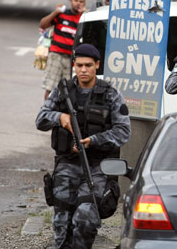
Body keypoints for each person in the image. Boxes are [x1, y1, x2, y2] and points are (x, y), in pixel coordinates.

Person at [36, 44, 131, 249]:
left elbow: (123, 131)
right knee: (61, 223)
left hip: (96, 167)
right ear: (74, 65)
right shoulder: (62, 91)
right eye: (79, 65)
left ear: (97, 65)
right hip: (67, 164)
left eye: (88, 65)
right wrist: (59, 117)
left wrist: (93, 141)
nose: (83, 70)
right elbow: (40, 119)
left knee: (85, 220)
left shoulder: (111, 94)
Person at [40, 0, 86, 100]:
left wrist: (86, 14)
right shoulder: (62, 14)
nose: (78, 3)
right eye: (76, 1)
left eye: (81, 1)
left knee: (68, 89)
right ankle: (47, 111)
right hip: (56, 56)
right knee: (50, 87)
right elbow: (43, 25)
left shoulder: (84, 18)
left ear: (84, 3)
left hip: (72, 60)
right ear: (71, 1)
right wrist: (55, 12)